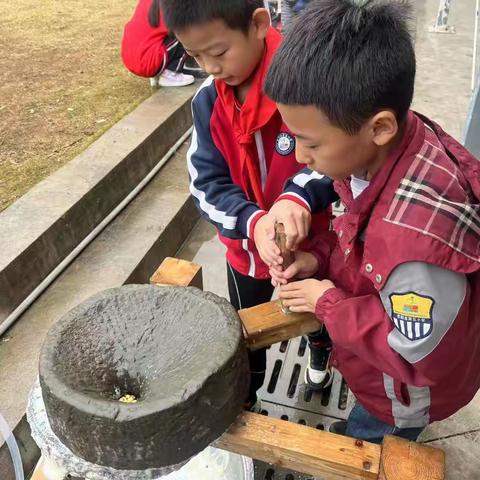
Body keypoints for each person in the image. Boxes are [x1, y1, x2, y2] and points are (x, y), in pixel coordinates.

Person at [262, 0, 480, 444]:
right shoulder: (388, 152)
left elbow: (416, 352)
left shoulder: (419, 245)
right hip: (385, 364)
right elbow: (362, 249)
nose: (300, 159)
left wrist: (329, 305)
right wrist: (317, 259)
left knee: (373, 436)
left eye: (310, 144)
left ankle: (367, 440)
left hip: (402, 395)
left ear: (379, 127)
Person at [160, 0, 338, 409]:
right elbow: (206, 183)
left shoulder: (310, 82)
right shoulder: (208, 102)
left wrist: (299, 195)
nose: (210, 67)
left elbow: (340, 155)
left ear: (259, 24)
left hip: (311, 247)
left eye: (219, 52)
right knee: (247, 330)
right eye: (195, 55)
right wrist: (252, 222)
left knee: (315, 309)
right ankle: (249, 392)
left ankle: (320, 351)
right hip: (247, 251)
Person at [121, 0, 195, 87]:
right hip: (148, 60)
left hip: (131, 56)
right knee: (185, 30)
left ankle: (159, 72)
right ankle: (171, 74)